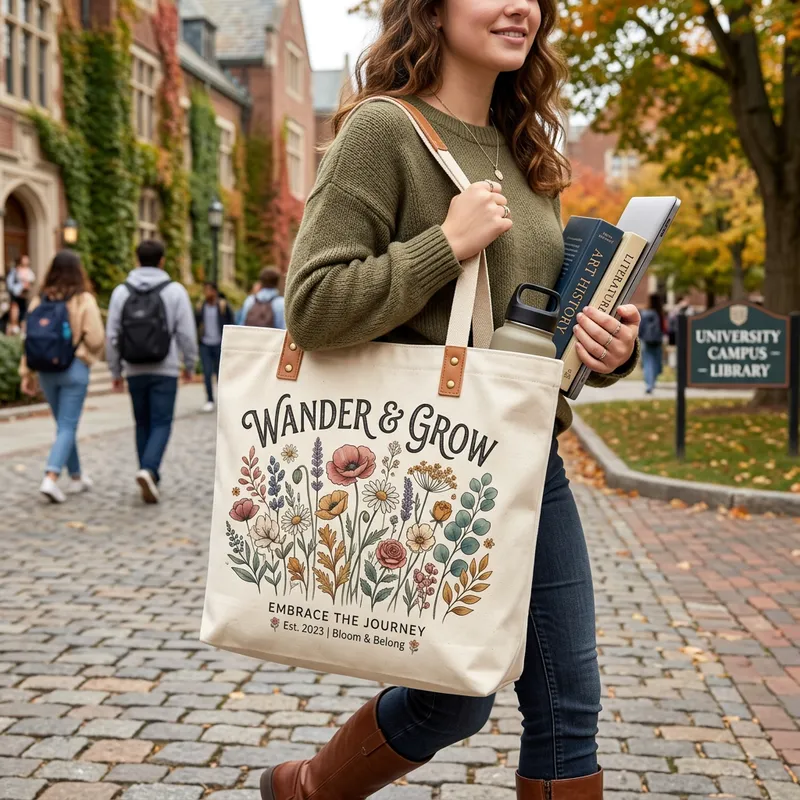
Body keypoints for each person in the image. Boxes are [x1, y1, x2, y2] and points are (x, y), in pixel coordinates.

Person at [261, 2, 641, 799]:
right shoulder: (382, 132)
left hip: (532, 464)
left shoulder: (526, 151)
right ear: (430, 9)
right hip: (428, 466)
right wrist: (446, 244)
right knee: (456, 697)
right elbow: (316, 306)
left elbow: (526, 336)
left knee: (569, 708)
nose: (521, 8)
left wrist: (606, 352)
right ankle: (306, 790)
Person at [106, 240, 198, 504]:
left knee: (142, 422)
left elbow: (112, 335)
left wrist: (115, 370)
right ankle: (149, 469)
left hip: (134, 368)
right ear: (162, 261)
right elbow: (187, 333)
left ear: (136, 260)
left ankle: (148, 472)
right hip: (164, 368)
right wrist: (189, 364)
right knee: (161, 422)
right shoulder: (175, 291)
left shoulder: (121, 293)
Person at [18, 250, 105, 503]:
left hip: (46, 370)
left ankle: (76, 476)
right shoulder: (82, 299)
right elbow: (97, 337)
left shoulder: (39, 300)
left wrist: (27, 373)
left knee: (63, 425)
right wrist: (85, 356)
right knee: (67, 426)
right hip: (73, 369)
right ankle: (51, 477)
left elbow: (29, 339)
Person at [195, 281, 234, 412]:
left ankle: (223, 400)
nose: (206, 293)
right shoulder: (201, 307)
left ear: (215, 291)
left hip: (219, 344)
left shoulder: (223, 306)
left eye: (209, 290)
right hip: (205, 344)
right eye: (205, 290)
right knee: (206, 373)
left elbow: (232, 323)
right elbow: (196, 324)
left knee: (220, 373)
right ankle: (210, 400)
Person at [639, 294, 665, 394]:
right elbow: (663, 328)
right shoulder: (660, 312)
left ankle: (649, 385)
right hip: (657, 340)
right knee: (656, 361)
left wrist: (640, 337)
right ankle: (652, 382)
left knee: (647, 362)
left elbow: (640, 327)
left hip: (646, 340)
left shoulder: (645, 313)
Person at [7, 255, 36, 333]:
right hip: (16, 294)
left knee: (24, 313)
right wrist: (20, 286)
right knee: (14, 311)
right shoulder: (15, 271)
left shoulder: (29, 271)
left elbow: (32, 280)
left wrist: (27, 285)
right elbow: (10, 284)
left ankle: (22, 330)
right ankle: (13, 328)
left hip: (24, 295)